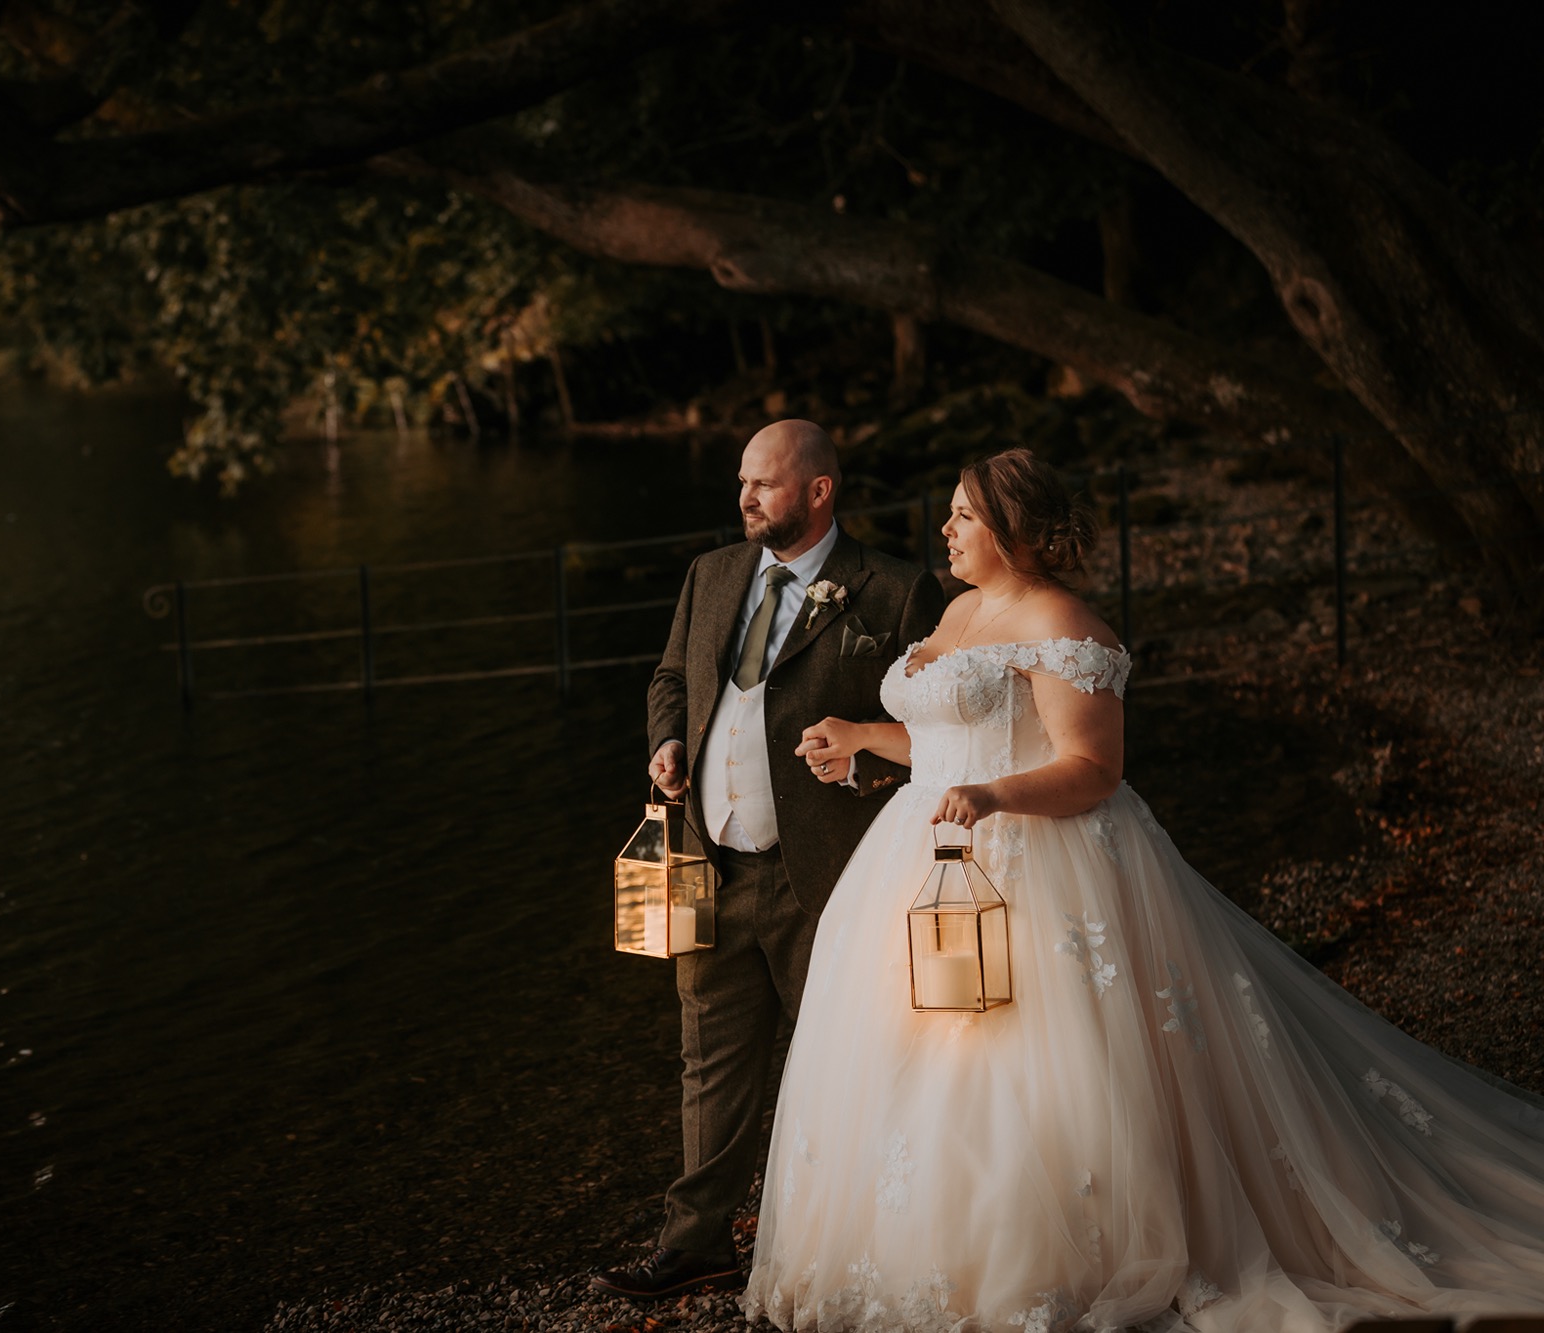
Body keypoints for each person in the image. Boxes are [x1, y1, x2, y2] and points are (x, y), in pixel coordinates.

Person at [746, 447, 1544, 1332]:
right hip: (924, 855)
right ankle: (914, 1252)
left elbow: (1093, 769)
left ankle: (1043, 1259)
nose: (946, 529)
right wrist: (864, 735)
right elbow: (944, 740)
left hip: (1033, 861)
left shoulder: (1068, 628)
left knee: (1028, 1062)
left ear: (1014, 530)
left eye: (964, 517)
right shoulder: (965, 608)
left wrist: (991, 797)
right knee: (918, 1056)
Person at [592, 419, 945, 1302]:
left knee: (852, 1058)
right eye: (742, 482)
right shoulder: (710, 575)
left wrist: (862, 756)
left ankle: (869, 1239)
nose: (746, 497)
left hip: (828, 876)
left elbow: (937, 732)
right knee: (708, 1064)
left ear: (819, 491)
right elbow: (670, 678)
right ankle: (696, 1243)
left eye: (766, 484)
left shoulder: (896, 591)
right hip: (711, 867)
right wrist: (666, 742)